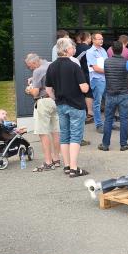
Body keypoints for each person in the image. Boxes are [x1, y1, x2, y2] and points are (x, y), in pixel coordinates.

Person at [45, 37, 90, 178]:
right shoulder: (74, 66)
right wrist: (87, 85)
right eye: (72, 47)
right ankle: (74, 168)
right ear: (66, 49)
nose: (74, 49)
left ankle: (67, 166)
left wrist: (56, 99)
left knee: (64, 136)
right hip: (76, 105)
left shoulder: (51, 66)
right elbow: (84, 88)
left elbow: (48, 89)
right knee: (75, 136)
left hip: (61, 105)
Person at [24, 53, 62, 172]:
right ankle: (56, 159)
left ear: (35, 62)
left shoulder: (38, 71)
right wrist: (34, 79)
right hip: (56, 100)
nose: (30, 69)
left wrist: (29, 90)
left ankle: (48, 162)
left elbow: (35, 92)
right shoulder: (51, 65)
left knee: (43, 132)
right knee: (55, 131)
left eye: (30, 66)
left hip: (44, 102)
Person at [99, 41, 128, 152]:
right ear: (122, 50)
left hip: (110, 93)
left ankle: (105, 144)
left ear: (112, 50)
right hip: (123, 94)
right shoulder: (127, 63)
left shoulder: (106, 62)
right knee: (124, 119)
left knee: (108, 119)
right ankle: (123, 144)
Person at [85, 33, 108, 133]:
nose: (101, 41)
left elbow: (106, 64)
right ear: (93, 40)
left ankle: (109, 123)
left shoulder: (103, 50)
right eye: (99, 39)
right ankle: (98, 124)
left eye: (102, 39)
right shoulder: (90, 52)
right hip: (97, 79)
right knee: (97, 103)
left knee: (108, 102)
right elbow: (95, 68)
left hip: (105, 79)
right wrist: (109, 71)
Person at [74, 32, 95, 125]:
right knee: (89, 93)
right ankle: (90, 113)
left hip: (77, 73)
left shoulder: (75, 48)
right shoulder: (89, 49)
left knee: (81, 92)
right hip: (87, 73)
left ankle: (82, 112)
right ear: (87, 38)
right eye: (90, 37)